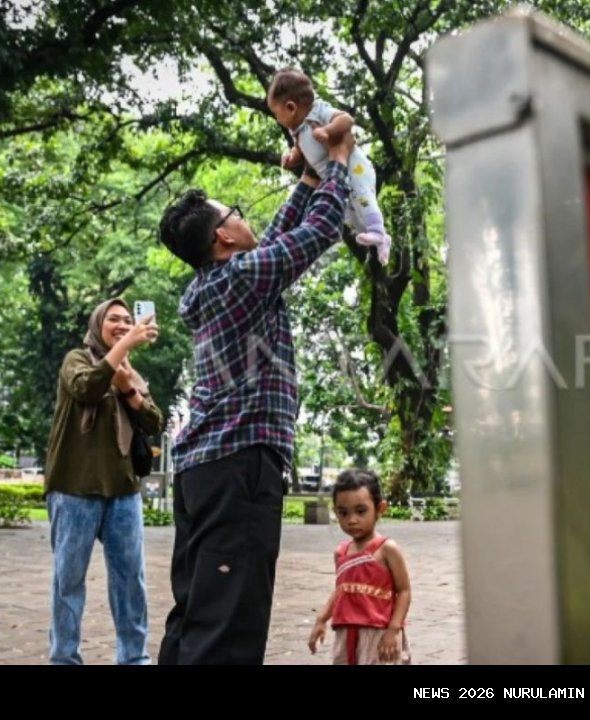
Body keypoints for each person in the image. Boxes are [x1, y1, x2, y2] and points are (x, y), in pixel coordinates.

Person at [155, 117, 356, 665]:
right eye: (235, 215)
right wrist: (337, 162)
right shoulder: (242, 280)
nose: (243, 221)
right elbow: (310, 239)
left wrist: (310, 180)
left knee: (197, 608)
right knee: (229, 622)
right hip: (238, 465)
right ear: (223, 236)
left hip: (205, 471)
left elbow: (276, 245)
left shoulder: (216, 284)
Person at [43, 298, 163, 665]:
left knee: (130, 582)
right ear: (98, 325)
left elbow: (154, 421)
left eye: (129, 320)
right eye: (114, 319)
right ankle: (64, 658)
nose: (123, 325)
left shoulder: (129, 371)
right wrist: (124, 350)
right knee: (69, 582)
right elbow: (87, 389)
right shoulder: (76, 360)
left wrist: (129, 389)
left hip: (123, 492)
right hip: (74, 488)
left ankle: (133, 658)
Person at [267, 67, 392, 266]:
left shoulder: (318, 112)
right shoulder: (297, 132)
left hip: (353, 167)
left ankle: (377, 230)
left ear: (291, 107)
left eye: (276, 113)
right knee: (349, 214)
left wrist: (328, 130)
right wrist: (292, 158)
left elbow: (347, 119)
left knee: (361, 195)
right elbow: (301, 152)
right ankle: (381, 239)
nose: (276, 119)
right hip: (335, 179)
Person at [307, 469, 412, 665]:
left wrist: (393, 629)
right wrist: (321, 619)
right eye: (343, 513)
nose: (352, 520)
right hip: (346, 633)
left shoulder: (387, 549)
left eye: (361, 511)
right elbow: (341, 590)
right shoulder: (341, 552)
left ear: (380, 509)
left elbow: (404, 591)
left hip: (379, 633)